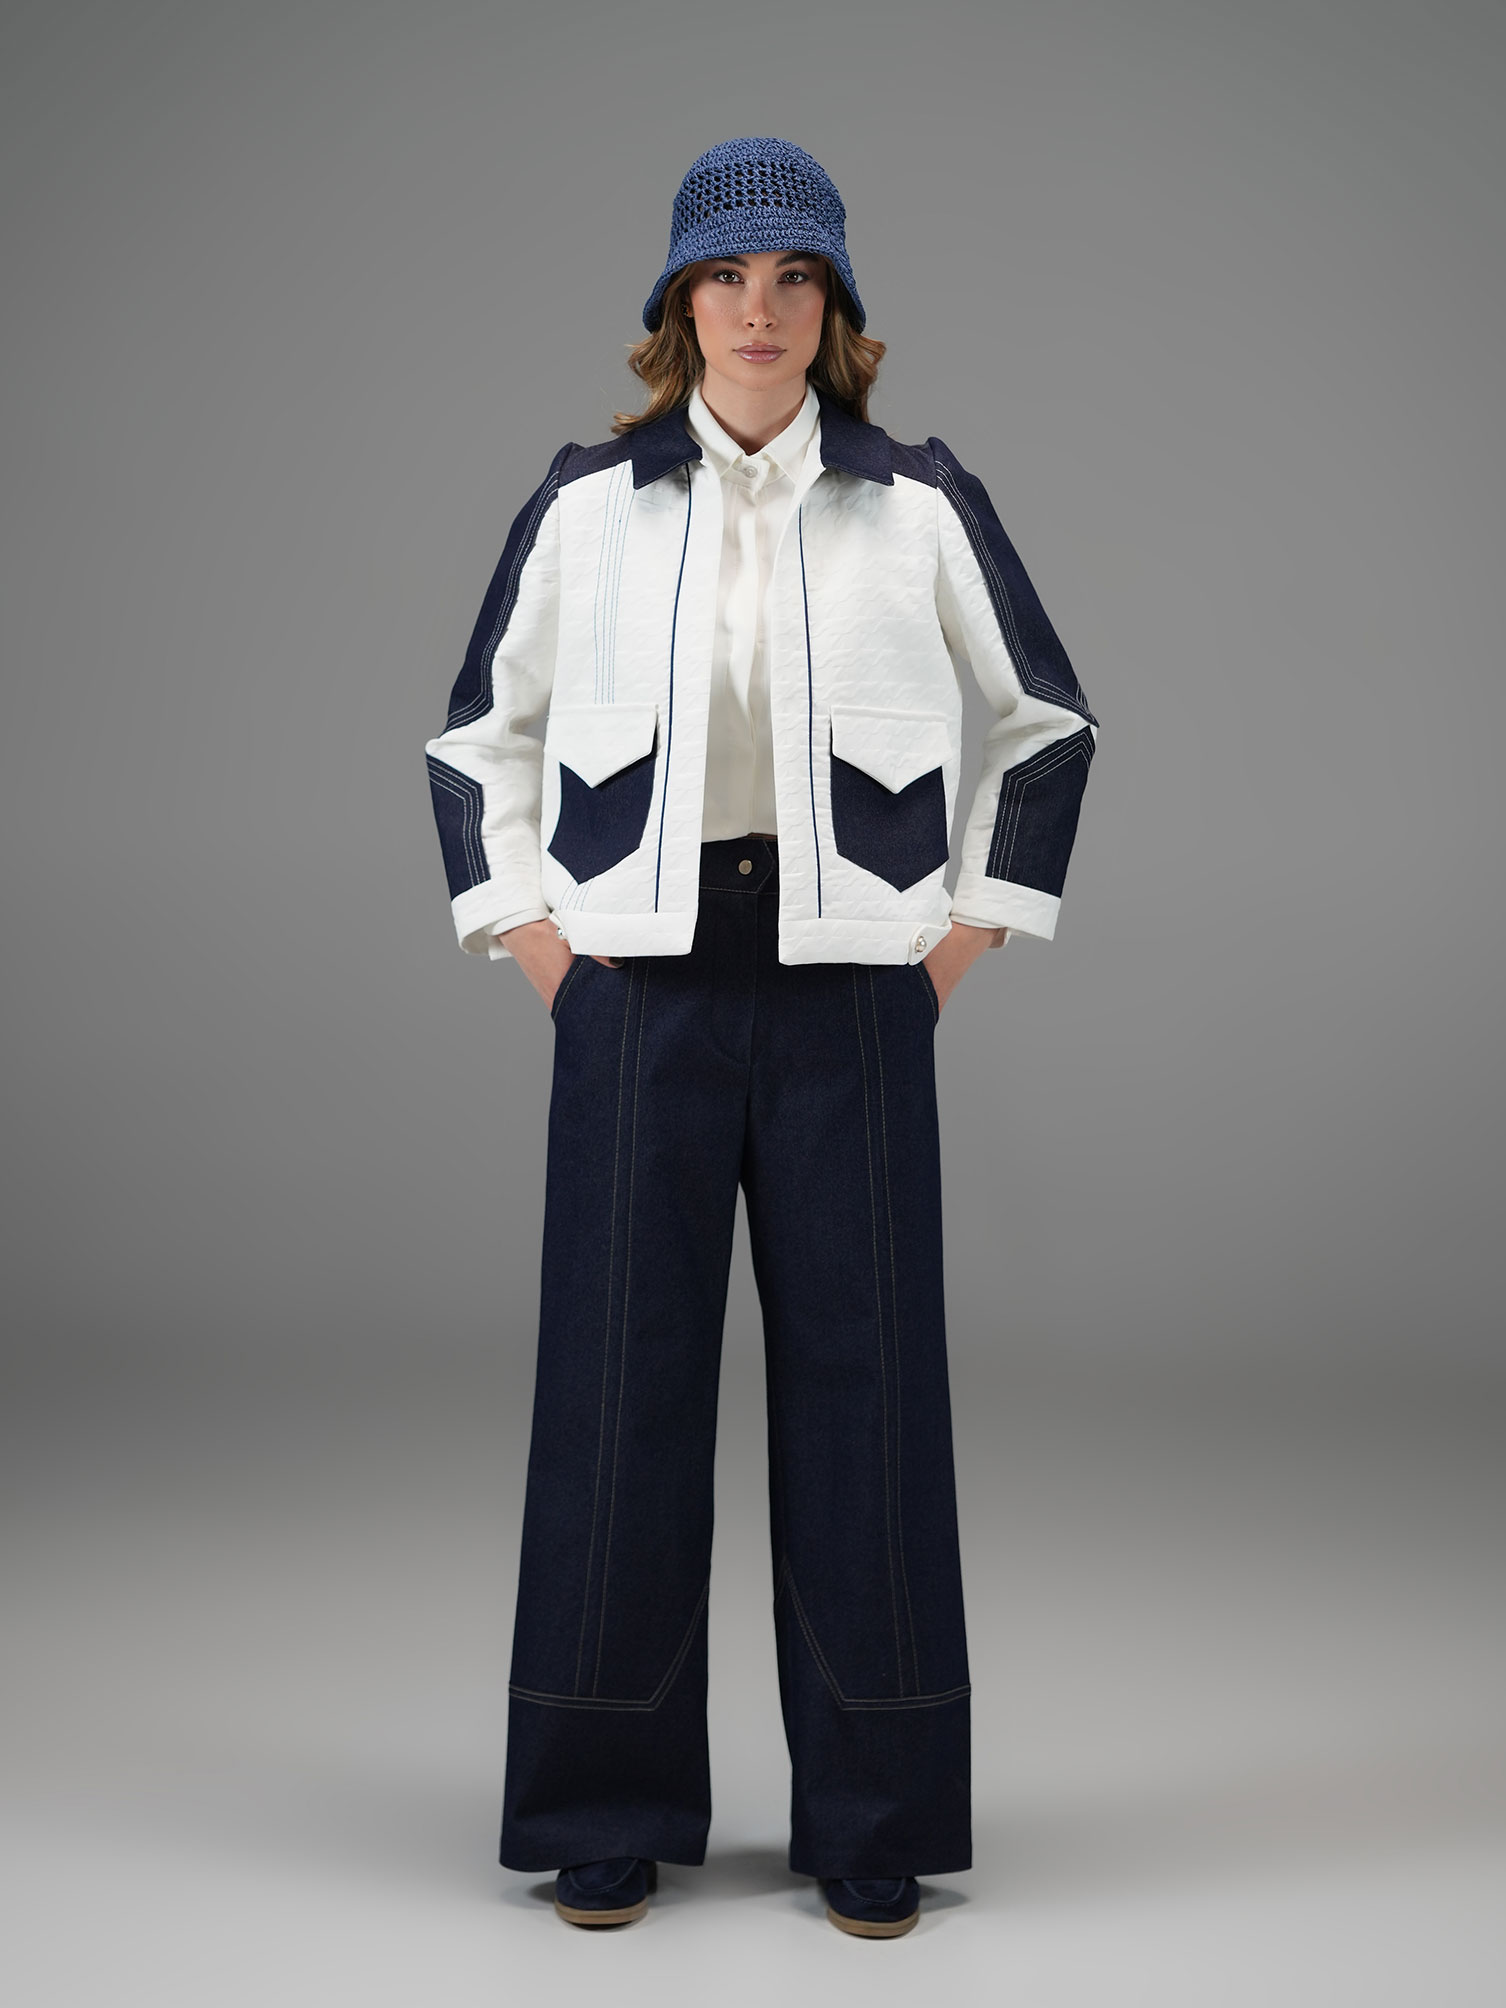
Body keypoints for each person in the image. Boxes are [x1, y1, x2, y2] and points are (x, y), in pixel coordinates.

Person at [424, 137, 1099, 1939]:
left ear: (836, 310)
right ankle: (600, 1805)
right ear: (676, 304)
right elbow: (473, 742)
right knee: (615, 1394)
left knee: (869, 1399)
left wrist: (947, 946)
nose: (759, 309)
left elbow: (1047, 728)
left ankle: (876, 1811)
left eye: (795, 278)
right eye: (725, 277)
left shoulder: (918, 503)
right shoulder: (585, 506)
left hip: (851, 997)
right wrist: (545, 952)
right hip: (633, 988)